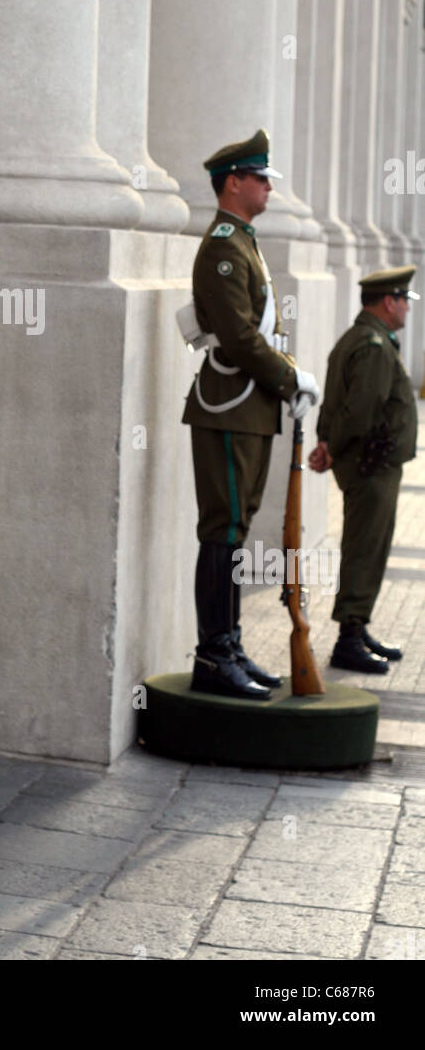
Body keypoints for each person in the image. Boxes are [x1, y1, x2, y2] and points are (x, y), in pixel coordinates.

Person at [181, 130, 320, 699]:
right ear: (233, 182)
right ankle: (214, 655)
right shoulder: (222, 246)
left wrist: (285, 379)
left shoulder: (243, 242)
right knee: (222, 531)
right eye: (260, 177)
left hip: (249, 409)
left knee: (233, 532)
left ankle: (230, 643)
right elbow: (238, 336)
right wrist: (289, 376)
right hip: (230, 407)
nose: (267, 186)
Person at [308, 266, 418, 674]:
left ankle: (358, 627)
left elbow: (336, 402)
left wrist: (326, 443)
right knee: (363, 550)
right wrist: (332, 448)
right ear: (389, 302)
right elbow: (359, 410)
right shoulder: (372, 344)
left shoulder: (363, 339)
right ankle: (348, 639)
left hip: (373, 464)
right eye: (404, 300)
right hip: (371, 465)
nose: (407, 308)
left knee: (369, 547)